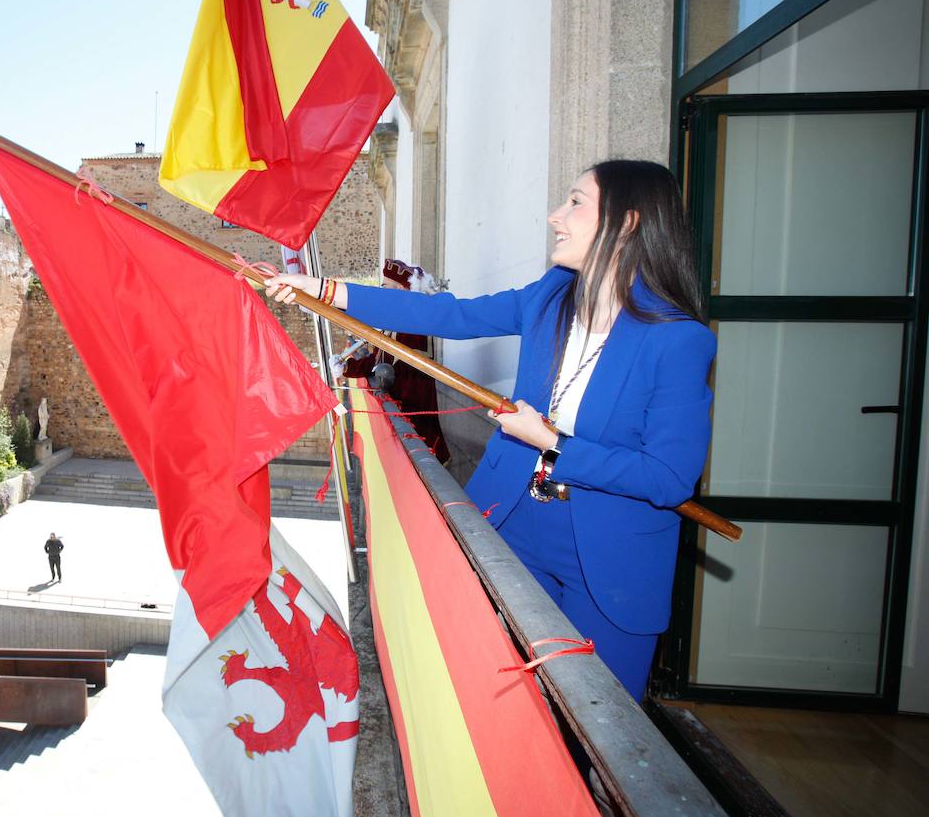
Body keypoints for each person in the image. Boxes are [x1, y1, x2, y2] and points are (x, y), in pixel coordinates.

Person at [266, 160, 715, 700]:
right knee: (496, 698)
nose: (556, 216)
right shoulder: (550, 297)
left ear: (627, 224)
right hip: (514, 525)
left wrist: (551, 442)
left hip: (611, 562)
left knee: (598, 725)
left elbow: (667, 479)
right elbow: (452, 316)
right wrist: (325, 289)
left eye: (575, 202)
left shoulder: (678, 340)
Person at [339, 258, 449, 462]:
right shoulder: (397, 319)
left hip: (412, 412)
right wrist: (348, 367)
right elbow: (377, 359)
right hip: (402, 411)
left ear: (399, 288)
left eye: (386, 287)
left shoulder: (413, 322)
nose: (383, 292)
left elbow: (404, 372)